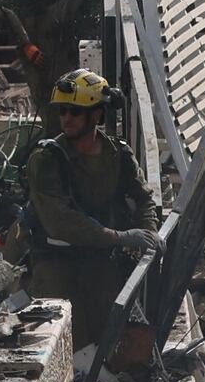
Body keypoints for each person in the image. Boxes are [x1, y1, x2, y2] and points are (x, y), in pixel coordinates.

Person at [20, 68, 159, 304]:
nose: (67, 118)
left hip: (102, 260)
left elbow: (144, 198)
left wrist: (149, 234)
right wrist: (121, 237)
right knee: (66, 332)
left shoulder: (119, 155)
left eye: (75, 111)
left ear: (96, 115)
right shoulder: (46, 159)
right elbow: (61, 221)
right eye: (62, 111)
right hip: (57, 263)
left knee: (111, 331)